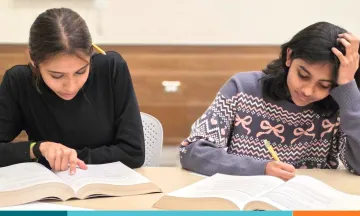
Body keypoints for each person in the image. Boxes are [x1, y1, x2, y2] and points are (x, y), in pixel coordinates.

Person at [180, 21, 360, 180]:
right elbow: (192, 151)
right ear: (289, 57)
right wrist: (261, 168)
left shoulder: (341, 102)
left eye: (323, 85)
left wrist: (348, 89)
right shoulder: (242, 88)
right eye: (303, 75)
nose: (307, 91)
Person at [0, 8, 145, 174]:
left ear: (91, 54)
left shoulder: (111, 68)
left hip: (109, 185)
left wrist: (70, 157)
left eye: (81, 72)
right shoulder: (18, 81)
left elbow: (133, 152)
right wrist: (38, 149)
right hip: (49, 190)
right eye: (56, 76)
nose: (71, 87)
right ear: (33, 60)